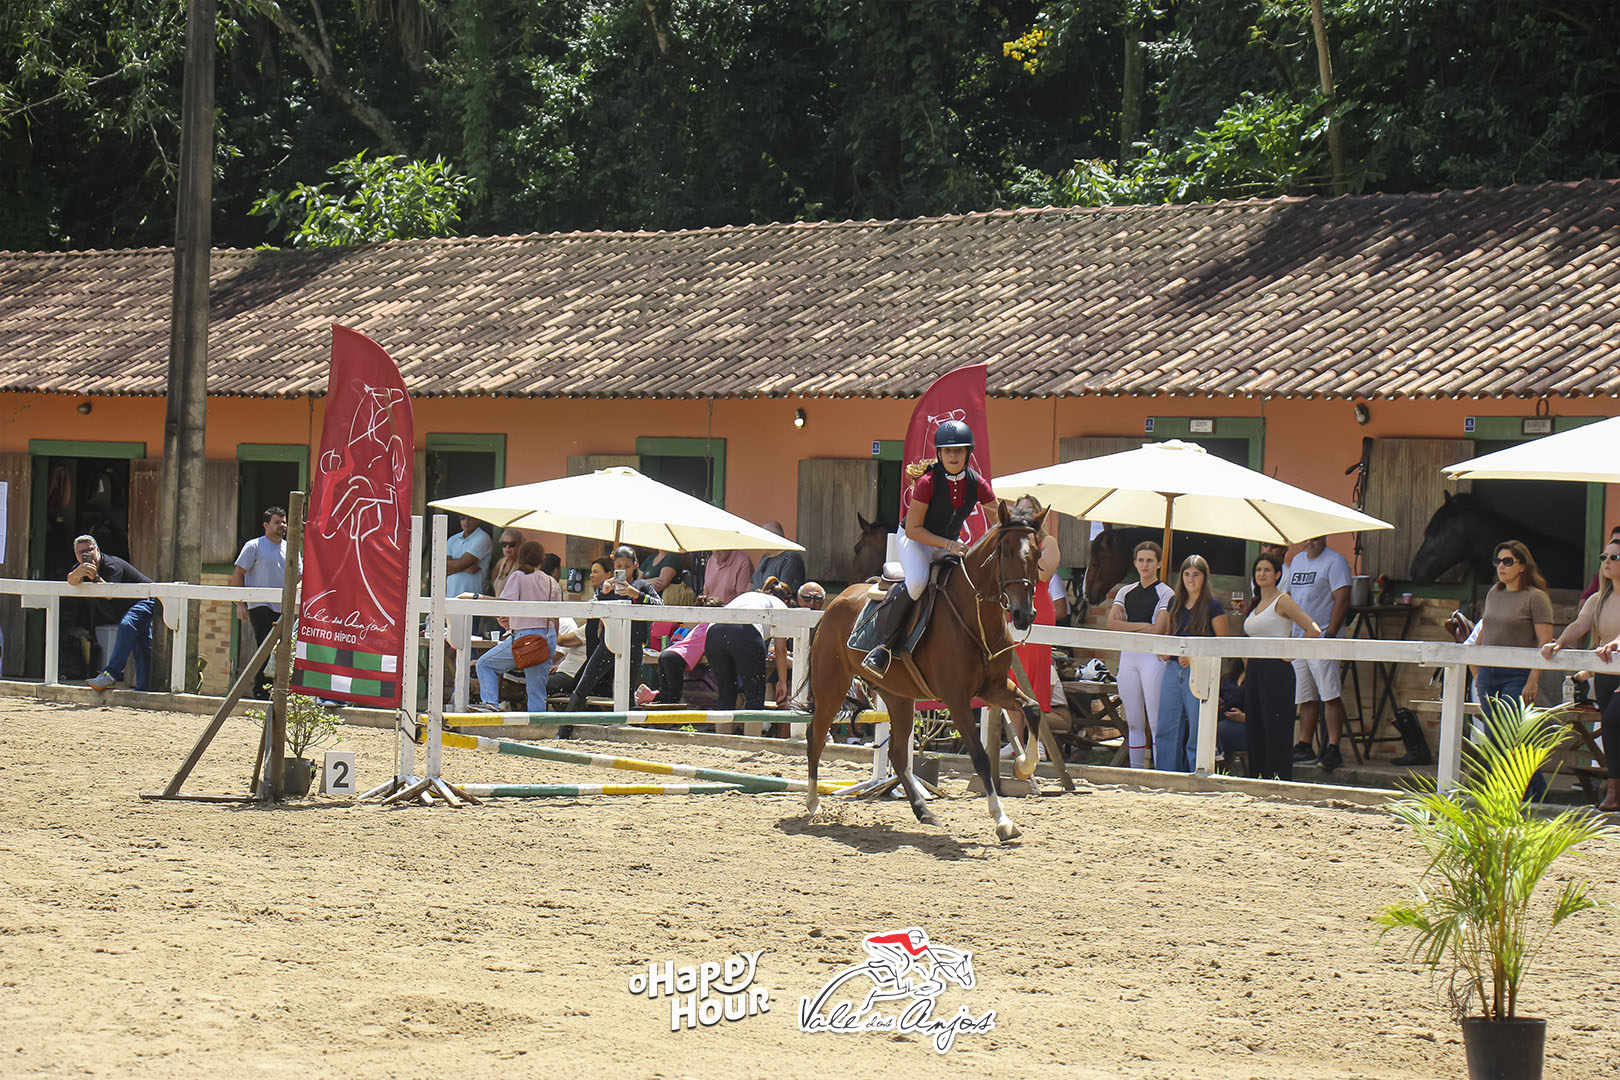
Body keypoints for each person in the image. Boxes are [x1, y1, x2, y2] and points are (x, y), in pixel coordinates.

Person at [862, 420, 997, 677]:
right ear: (940, 454)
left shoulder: (978, 483)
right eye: (948, 451)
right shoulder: (927, 482)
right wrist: (949, 544)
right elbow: (914, 529)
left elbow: (999, 520)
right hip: (914, 540)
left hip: (948, 544)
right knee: (917, 582)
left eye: (958, 450)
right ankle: (883, 646)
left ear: (968, 453)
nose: (953, 455)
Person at [1542, 538, 1620, 811]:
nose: (1607, 562)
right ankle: (1614, 790)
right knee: (1610, 728)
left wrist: (1616, 643)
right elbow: (1580, 624)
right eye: (1604, 557)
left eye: (1614, 557)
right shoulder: (1598, 599)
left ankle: (1614, 791)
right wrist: (1559, 643)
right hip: (1606, 672)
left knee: (1614, 719)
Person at [1474, 539, 1555, 800]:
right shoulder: (1493, 594)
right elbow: (1484, 633)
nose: (1501, 566)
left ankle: (1533, 794)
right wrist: (1476, 671)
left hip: (1517, 674)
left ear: (1522, 566)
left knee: (1514, 735)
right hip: (1488, 672)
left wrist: (1533, 679)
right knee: (1493, 735)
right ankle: (1504, 794)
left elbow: (1544, 642)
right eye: (1497, 561)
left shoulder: (1536, 597)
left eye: (1508, 561)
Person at [1243, 552, 1322, 781]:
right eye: (1258, 570)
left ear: (1278, 574)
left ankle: (1278, 779)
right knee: (1255, 725)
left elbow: (1313, 629)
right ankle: (1257, 777)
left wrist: (1292, 653)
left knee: (1274, 727)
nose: (1262, 574)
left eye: (1267, 570)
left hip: (1276, 670)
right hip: (1254, 669)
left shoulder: (1283, 600)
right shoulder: (1256, 603)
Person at [1154, 554, 1231, 772]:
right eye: (1186, 574)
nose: (1190, 579)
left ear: (1204, 578)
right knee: (1166, 726)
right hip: (1172, 670)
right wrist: (1165, 650)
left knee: (1198, 728)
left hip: (1199, 672)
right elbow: (1170, 634)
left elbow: (1224, 643)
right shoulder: (1174, 603)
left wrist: (1195, 656)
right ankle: (1167, 774)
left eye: (1196, 574)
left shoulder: (1213, 606)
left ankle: (1198, 773)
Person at [1282, 535, 1352, 771]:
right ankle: (1305, 744)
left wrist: (1330, 634)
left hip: (1323, 637)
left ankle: (1333, 746)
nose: (1309, 543)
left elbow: (1342, 598)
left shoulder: (1335, 561)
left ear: (1324, 538)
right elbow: (1289, 598)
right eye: (1306, 540)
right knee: (1305, 695)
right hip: (1299, 638)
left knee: (1329, 693)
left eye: (1315, 539)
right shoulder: (1297, 561)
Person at [565, 546, 663, 712]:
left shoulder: (642, 585)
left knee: (628, 689)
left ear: (635, 565)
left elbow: (659, 605)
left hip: (634, 642)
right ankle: (567, 722)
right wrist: (603, 594)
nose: (623, 570)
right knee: (586, 682)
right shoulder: (607, 586)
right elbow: (592, 608)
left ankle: (629, 724)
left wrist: (636, 594)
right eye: (619, 566)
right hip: (608, 642)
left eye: (627, 566)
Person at [1106, 540, 1175, 768]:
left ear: (1159, 564)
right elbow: (1111, 624)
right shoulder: (1125, 591)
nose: (1145, 565)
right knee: (1134, 722)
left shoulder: (1166, 593)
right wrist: (1144, 625)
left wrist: (1130, 626)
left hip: (1152, 659)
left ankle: (1160, 770)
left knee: (1155, 722)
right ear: (1135, 563)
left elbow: (1159, 629)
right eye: (1141, 560)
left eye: (1150, 561)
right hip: (1128, 657)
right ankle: (1136, 770)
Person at [475, 540, 560, 713]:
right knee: (537, 691)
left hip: (525, 637)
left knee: (484, 664)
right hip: (547, 636)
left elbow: (506, 604)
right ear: (541, 559)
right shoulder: (552, 582)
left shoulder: (518, 576)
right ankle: (537, 724)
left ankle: (490, 704)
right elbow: (556, 618)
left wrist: (477, 598)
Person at [68, 534, 155, 691]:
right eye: (81, 552)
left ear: (98, 550)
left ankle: (111, 674)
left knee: (127, 626)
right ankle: (145, 690)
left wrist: (95, 578)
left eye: (90, 550)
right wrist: (77, 574)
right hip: (127, 607)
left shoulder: (111, 565)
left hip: (145, 599)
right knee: (142, 647)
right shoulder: (80, 568)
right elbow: (71, 580)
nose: (86, 555)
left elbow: (110, 594)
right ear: (76, 555)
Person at [707, 578, 793, 718]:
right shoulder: (781, 606)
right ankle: (753, 731)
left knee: (726, 694)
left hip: (714, 632)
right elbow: (780, 649)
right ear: (787, 600)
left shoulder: (748, 596)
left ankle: (723, 731)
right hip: (745, 632)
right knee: (755, 697)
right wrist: (782, 682)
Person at [229, 506, 288, 699]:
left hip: (284, 607)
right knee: (266, 646)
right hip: (260, 605)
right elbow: (238, 574)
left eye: (284, 522)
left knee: (282, 649)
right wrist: (240, 604)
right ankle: (260, 691)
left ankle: (277, 691)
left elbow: (298, 575)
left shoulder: (290, 548)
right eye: (277, 522)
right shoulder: (254, 546)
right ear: (266, 525)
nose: (282, 526)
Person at [750, 522, 807, 594]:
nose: (759, 541)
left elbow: (785, 592)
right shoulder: (766, 557)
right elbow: (752, 583)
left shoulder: (791, 558)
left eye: (762, 538)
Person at [446, 514, 493, 599]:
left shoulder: (483, 537)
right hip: (450, 595)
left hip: (472, 596)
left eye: (470, 518)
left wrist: (459, 565)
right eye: (463, 518)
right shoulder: (452, 539)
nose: (466, 522)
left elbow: (459, 565)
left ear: (478, 519)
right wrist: (465, 567)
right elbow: (442, 567)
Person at [489, 530, 524, 599]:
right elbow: (493, 578)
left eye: (511, 544)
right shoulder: (501, 562)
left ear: (520, 545)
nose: (507, 547)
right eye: (504, 544)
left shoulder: (522, 565)